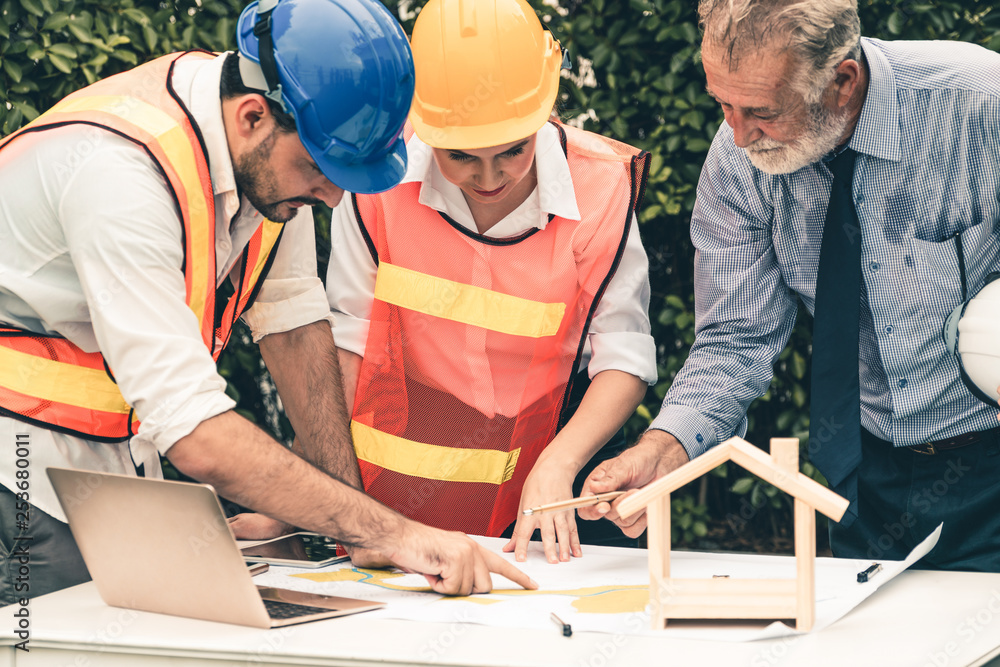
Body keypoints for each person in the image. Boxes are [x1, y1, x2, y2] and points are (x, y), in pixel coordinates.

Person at [0, 0, 534, 604]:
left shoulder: (264, 161)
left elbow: (295, 326)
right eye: (320, 168)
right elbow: (194, 431)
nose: (332, 197)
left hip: (95, 469)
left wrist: (354, 531)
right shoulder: (120, 176)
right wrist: (396, 532)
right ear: (254, 116)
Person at [231, 0, 657, 565]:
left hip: (528, 497)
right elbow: (347, 348)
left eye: (513, 149)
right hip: (387, 501)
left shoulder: (600, 191)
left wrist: (558, 465)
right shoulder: (379, 179)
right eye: (460, 156)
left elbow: (623, 356)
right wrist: (298, 500)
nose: (489, 178)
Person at [580, 0, 1000, 572]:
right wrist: (665, 448)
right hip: (864, 475)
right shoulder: (735, 163)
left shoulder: (980, 101)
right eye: (722, 104)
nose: (737, 134)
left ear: (842, 82)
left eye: (762, 111)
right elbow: (735, 339)